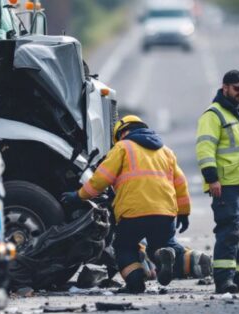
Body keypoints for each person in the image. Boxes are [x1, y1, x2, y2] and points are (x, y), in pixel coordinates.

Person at [61, 115, 191, 293]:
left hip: (133, 213)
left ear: (122, 132)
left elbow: (101, 180)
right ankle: (162, 257)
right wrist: (184, 212)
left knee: (125, 247)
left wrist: (79, 196)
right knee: (158, 244)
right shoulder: (166, 151)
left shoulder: (123, 147)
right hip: (165, 213)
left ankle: (135, 283)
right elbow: (181, 183)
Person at [196, 70, 239, 294]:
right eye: (237, 88)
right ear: (225, 87)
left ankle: (237, 275)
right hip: (226, 185)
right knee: (230, 230)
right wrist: (212, 179)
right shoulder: (213, 115)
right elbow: (205, 149)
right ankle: (223, 280)